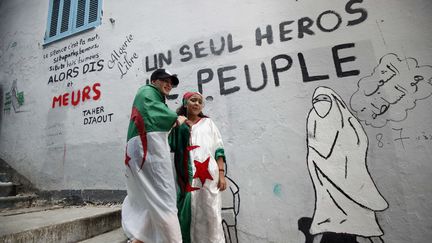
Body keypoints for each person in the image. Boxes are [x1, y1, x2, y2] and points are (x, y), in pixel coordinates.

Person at [306, 86, 388, 243]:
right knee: (327, 220)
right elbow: (314, 148)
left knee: (362, 219)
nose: (319, 104)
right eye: (315, 100)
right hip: (327, 185)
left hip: (350, 182)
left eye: (323, 99)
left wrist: (339, 161)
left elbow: (358, 146)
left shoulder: (346, 121)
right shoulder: (314, 118)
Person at [122, 69, 187, 243]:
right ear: (154, 81)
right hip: (148, 152)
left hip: (144, 151)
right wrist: (176, 119)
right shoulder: (147, 91)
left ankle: (139, 239)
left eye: (171, 83)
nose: (169, 85)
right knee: (165, 199)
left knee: (152, 199)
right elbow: (160, 117)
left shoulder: (154, 97)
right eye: (165, 80)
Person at [169, 91, 227, 243]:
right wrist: (177, 123)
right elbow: (167, 143)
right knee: (186, 214)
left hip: (209, 179)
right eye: (193, 100)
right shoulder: (179, 125)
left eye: (199, 101)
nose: (196, 103)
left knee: (211, 215)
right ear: (185, 103)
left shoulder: (209, 123)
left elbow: (219, 150)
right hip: (186, 180)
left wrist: (221, 175)